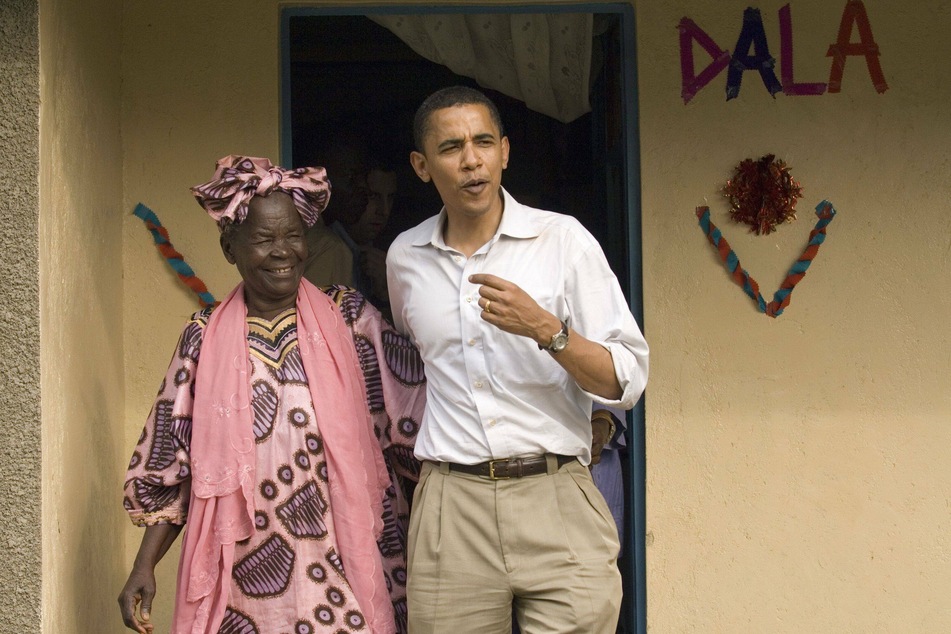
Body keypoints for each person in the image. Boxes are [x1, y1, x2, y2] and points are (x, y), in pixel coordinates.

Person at [118, 156, 427, 634]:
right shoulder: (202, 339)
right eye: (264, 240)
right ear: (230, 249)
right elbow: (173, 459)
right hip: (245, 578)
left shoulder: (351, 319)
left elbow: (412, 420)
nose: (283, 252)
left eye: (293, 236)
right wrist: (144, 565)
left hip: (351, 560)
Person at [386, 86, 649, 633]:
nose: (471, 160)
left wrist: (548, 330)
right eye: (451, 147)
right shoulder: (405, 257)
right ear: (421, 165)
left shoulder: (562, 241)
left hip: (555, 496)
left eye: (483, 142)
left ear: (505, 151)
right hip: (452, 506)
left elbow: (627, 378)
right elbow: (415, 360)